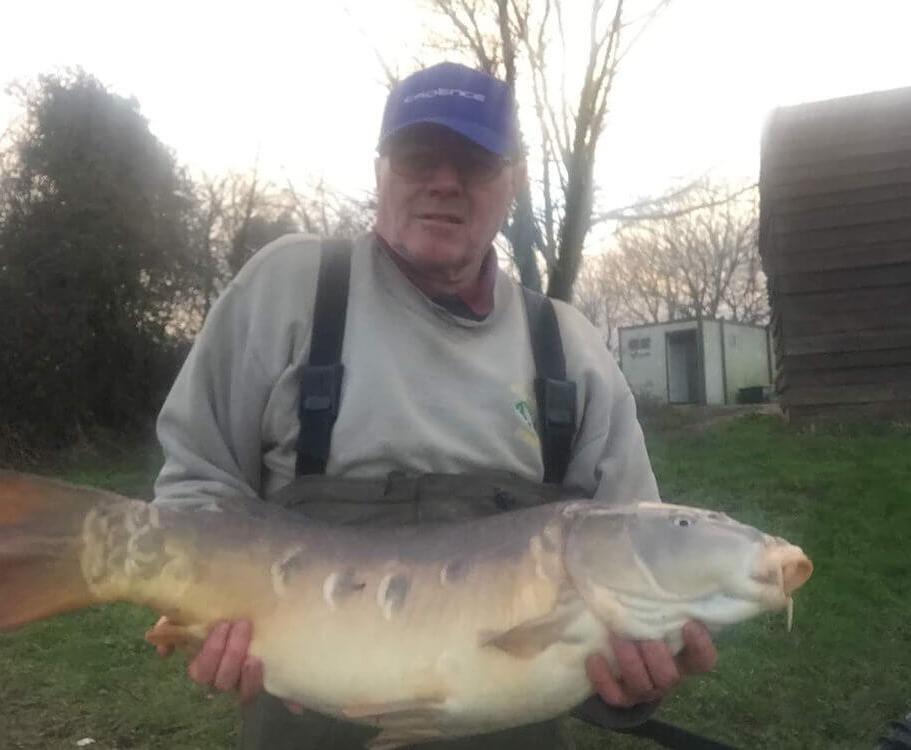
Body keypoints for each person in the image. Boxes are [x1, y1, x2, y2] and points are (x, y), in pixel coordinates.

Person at [152, 61, 717, 749]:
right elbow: (196, 484)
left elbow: (633, 571)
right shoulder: (290, 288)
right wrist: (201, 603)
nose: (444, 182)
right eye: (420, 156)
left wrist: (637, 683)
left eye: (474, 163)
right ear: (381, 171)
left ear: (512, 184)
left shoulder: (572, 352)